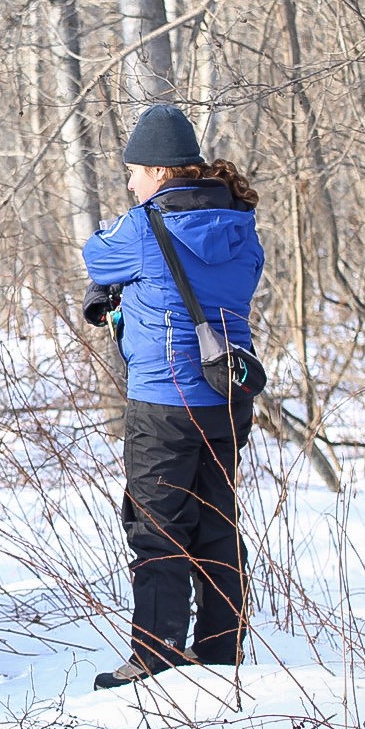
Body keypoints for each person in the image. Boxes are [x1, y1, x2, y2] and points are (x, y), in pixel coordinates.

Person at [81, 104, 262, 690]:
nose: (131, 183)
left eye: (135, 172)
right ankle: (220, 648)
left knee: (156, 527)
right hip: (226, 395)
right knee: (217, 521)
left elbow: (95, 255)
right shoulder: (240, 223)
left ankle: (154, 656)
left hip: (163, 401)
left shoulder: (144, 228)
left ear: (160, 171)